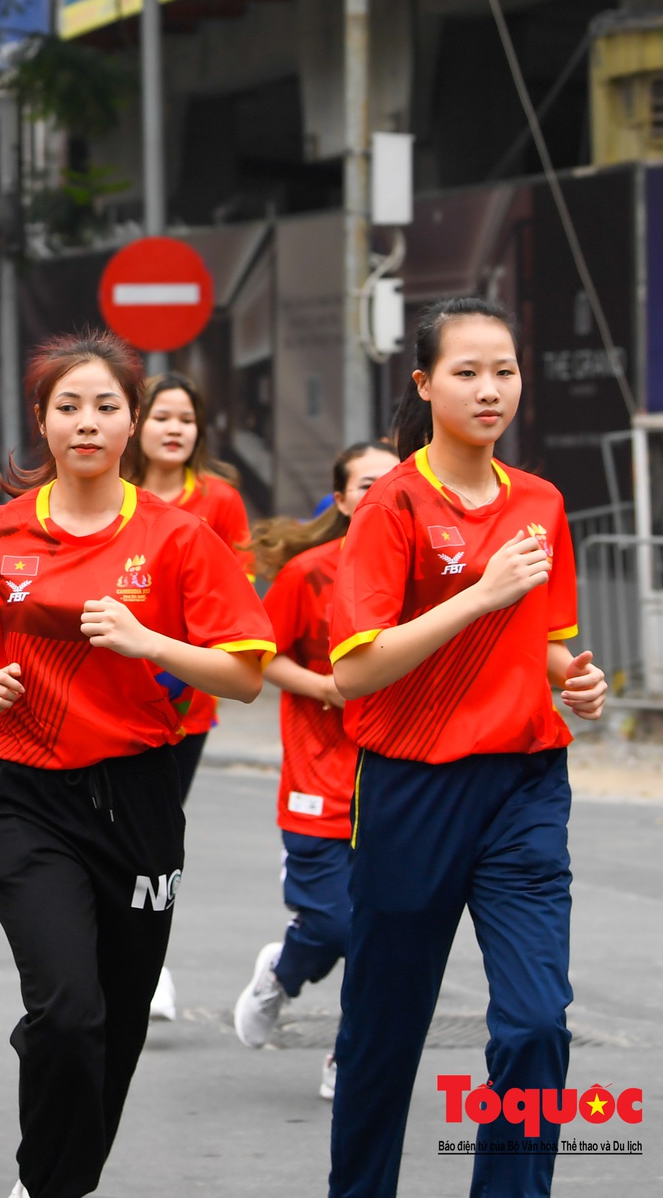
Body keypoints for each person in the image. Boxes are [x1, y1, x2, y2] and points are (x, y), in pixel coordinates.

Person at [0, 329, 272, 1198]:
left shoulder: (181, 538)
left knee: (111, 1024)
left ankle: (59, 1168)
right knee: (69, 1013)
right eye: (67, 406)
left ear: (133, 423)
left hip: (141, 796)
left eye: (106, 406)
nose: (87, 422)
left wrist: (149, 639)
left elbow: (244, 675)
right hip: (26, 794)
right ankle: (49, 1184)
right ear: (40, 423)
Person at [327, 299, 607, 1198]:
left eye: (506, 372)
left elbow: (544, 635)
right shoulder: (392, 505)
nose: (491, 390)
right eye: (467, 372)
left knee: (534, 1024)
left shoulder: (542, 502)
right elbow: (356, 671)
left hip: (524, 786)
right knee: (385, 1028)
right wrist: (478, 597)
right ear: (424, 384)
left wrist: (572, 675)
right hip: (413, 786)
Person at [230, 441, 400, 1102]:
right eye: (365, 485)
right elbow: (260, 659)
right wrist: (324, 686)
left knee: (384, 938)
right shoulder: (311, 573)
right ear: (341, 498)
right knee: (335, 925)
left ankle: (347, 1056)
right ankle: (282, 970)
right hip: (320, 778)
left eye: (392, 484)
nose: (379, 495)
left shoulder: (426, 574)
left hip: (399, 778)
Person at [122, 370, 252, 1021]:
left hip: (185, 700)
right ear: (137, 425)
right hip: (110, 695)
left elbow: (235, 595)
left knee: (155, 831)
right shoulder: (111, 493)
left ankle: (148, 962)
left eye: (186, 419)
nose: (174, 429)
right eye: (162, 416)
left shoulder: (220, 500)